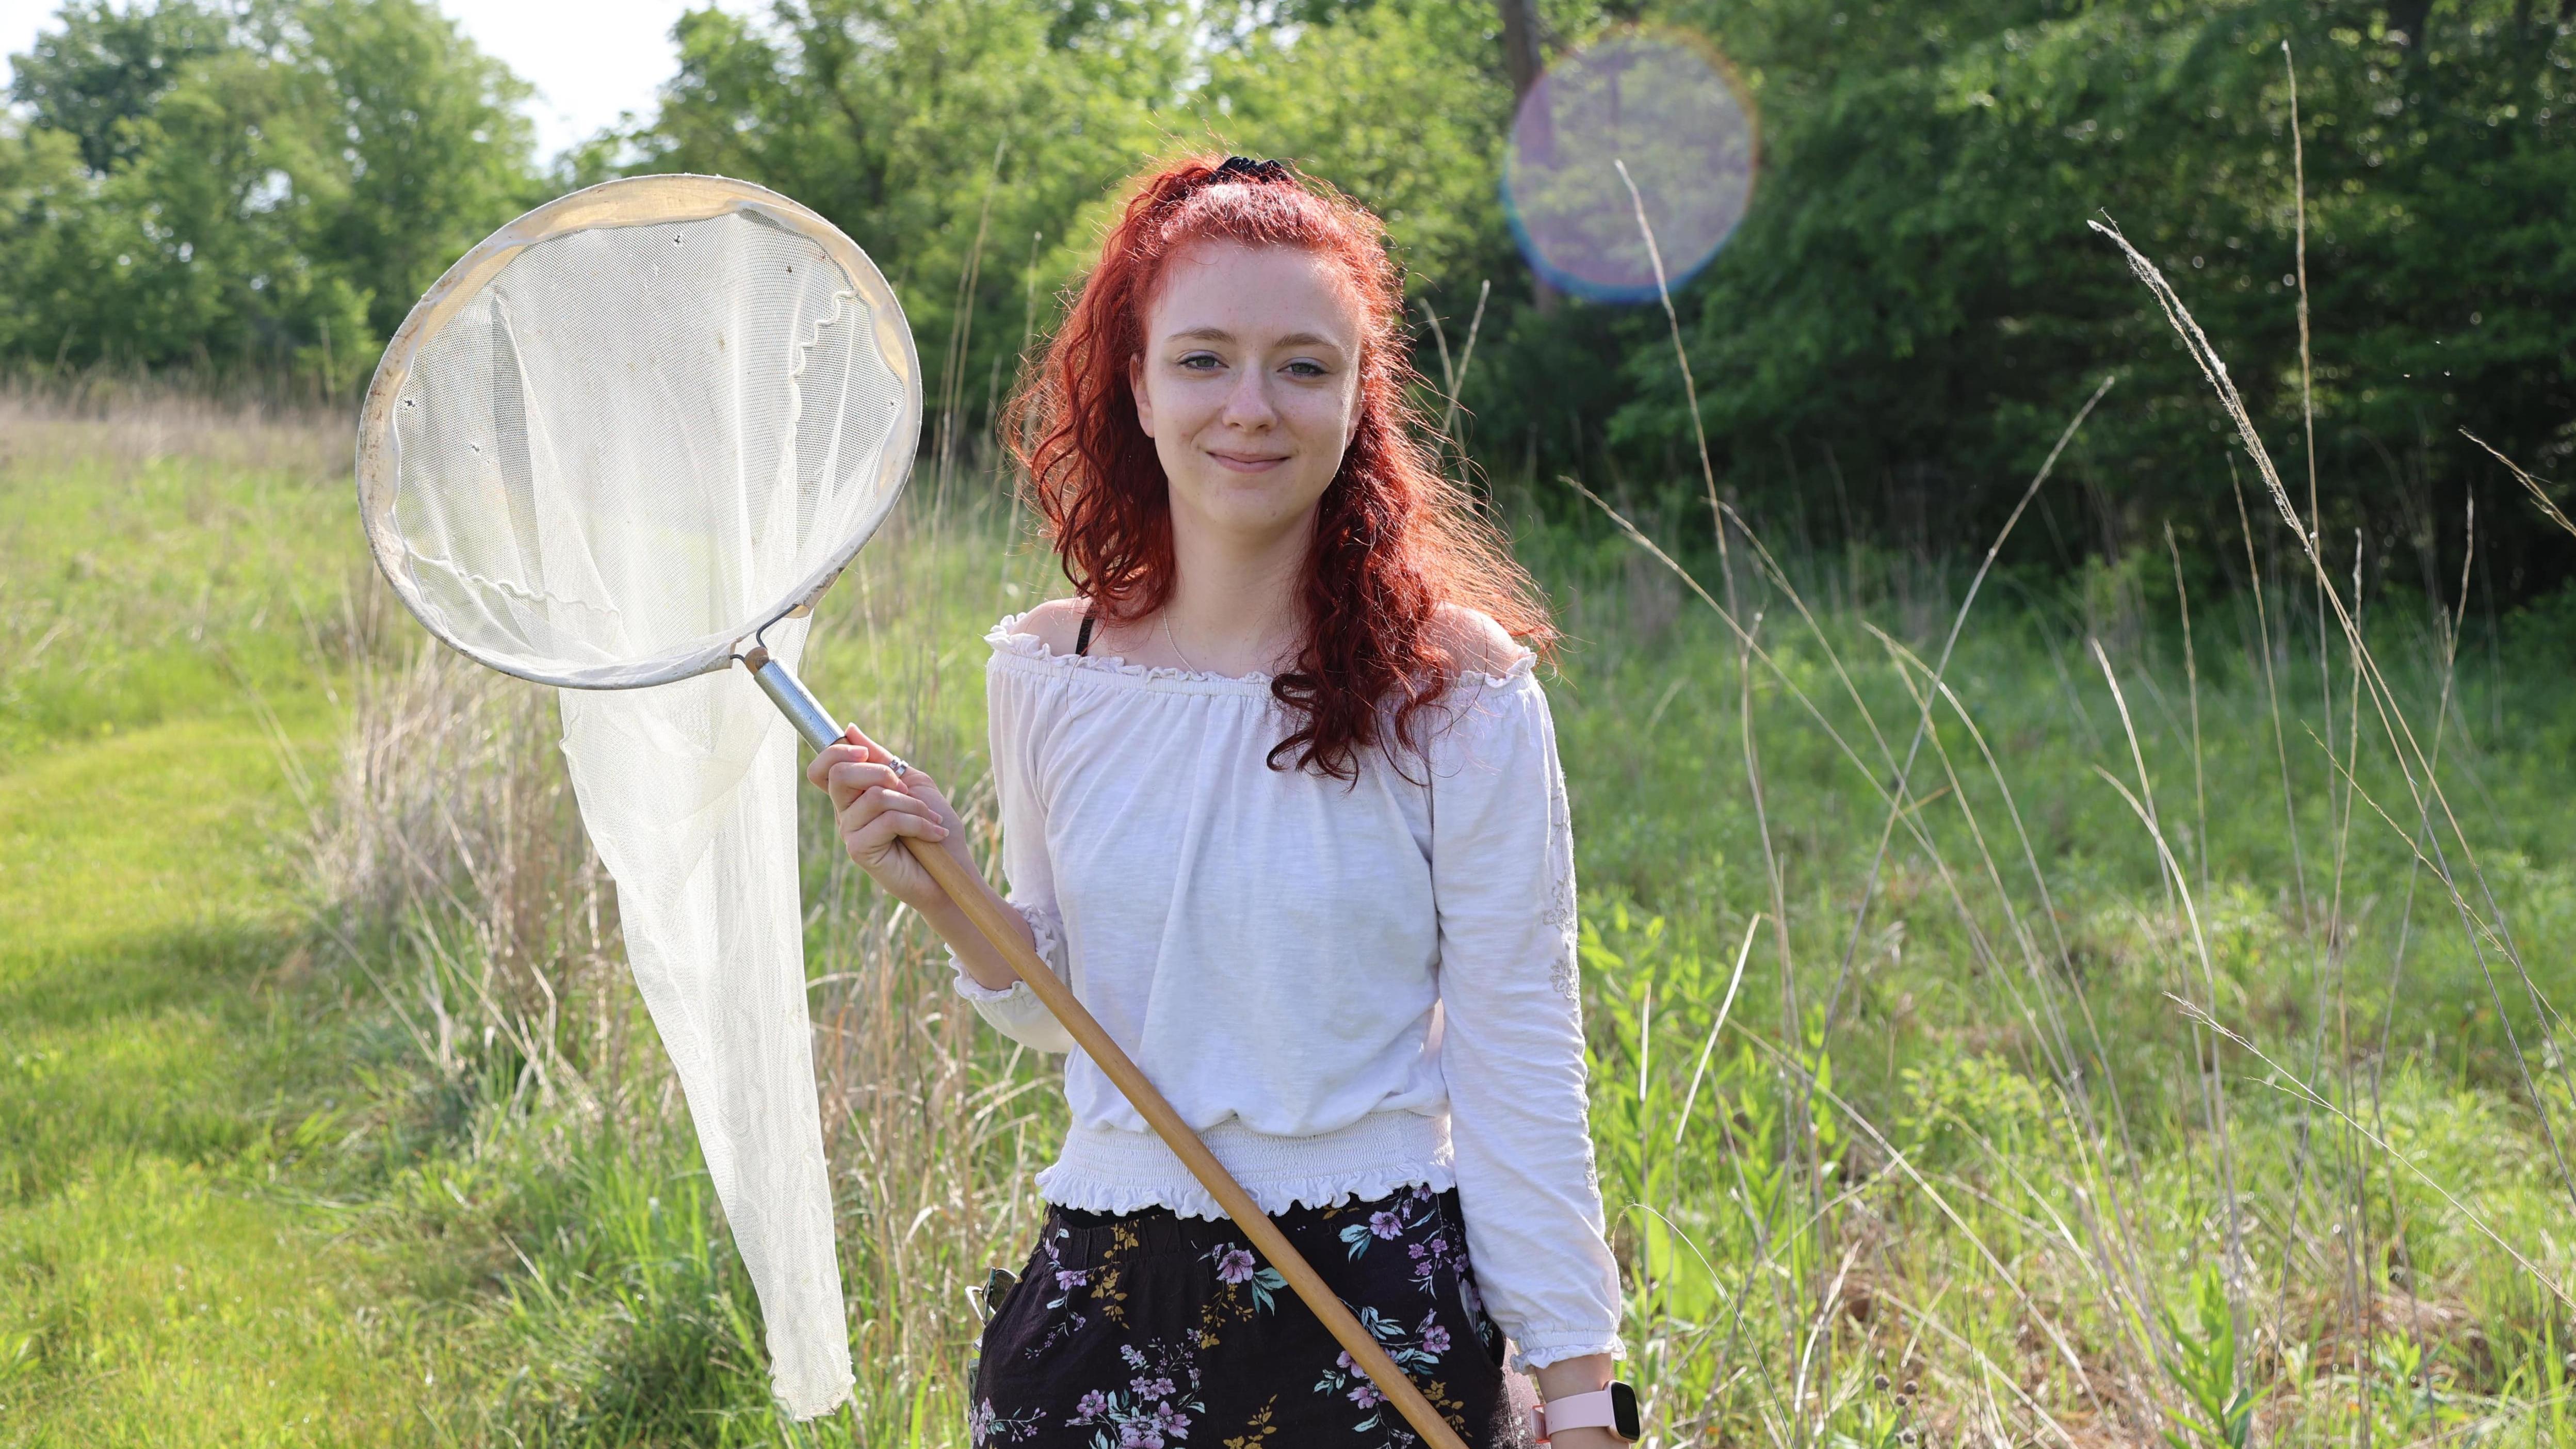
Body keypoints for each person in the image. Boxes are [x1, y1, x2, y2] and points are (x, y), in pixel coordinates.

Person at [807, 154, 1627, 1447]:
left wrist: (1581, 1391)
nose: (1250, 406)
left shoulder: (1455, 693)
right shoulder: (1049, 671)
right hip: (1101, 1300)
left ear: (1362, 399)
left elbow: (1520, 1045)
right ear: (1136, 388)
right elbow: (1057, 1010)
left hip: (1377, 1302)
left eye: (1302, 364)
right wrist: (952, 891)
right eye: (1202, 360)